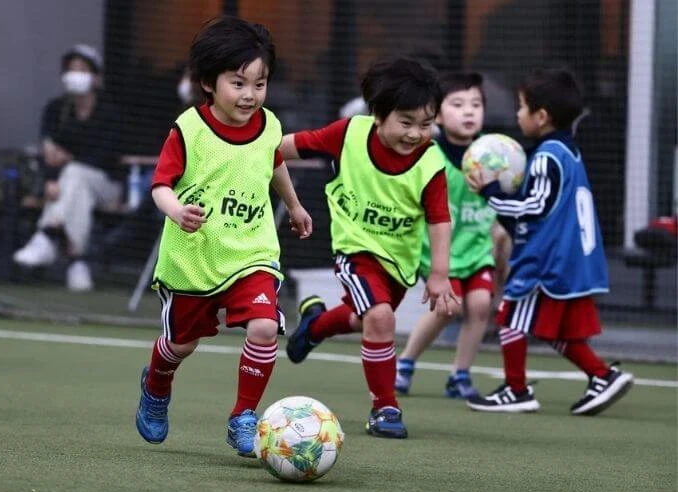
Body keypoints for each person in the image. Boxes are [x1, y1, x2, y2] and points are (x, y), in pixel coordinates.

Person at [134, 17, 312, 457]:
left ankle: (243, 417)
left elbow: (272, 163)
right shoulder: (189, 129)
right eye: (238, 83)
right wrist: (176, 210)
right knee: (181, 344)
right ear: (209, 83)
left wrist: (292, 204)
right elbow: (160, 186)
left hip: (251, 251)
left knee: (266, 326)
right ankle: (157, 383)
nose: (250, 95)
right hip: (194, 257)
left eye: (260, 83)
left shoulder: (269, 124)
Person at [280, 57, 460, 439]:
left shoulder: (431, 161)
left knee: (368, 318)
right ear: (378, 114)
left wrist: (440, 274)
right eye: (406, 122)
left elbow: (440, 220)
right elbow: (283, 147)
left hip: (399, 262)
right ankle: (385, 407)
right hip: (355, 250)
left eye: (426, 125)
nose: (415, 134)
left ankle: (315, 325)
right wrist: (241, 150)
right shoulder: (347, 134)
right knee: (380, 318)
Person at [465, 68, 633, 415]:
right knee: (551, 327)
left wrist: (492, 192)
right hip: (566, 256)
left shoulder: (546, 157)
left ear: (541, 117)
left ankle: (516, 390)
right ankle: (601, 376)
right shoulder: (566, 152)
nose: (517, 114)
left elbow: (536, 206)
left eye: (522, 107)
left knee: (512, 318)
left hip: (546, 258)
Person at [394, 72, 498, 399]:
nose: (469, 111)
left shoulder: (495, 156)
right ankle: (406, 362)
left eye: (476, 104)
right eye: (458, 104)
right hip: (440, 252)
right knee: (447, 308)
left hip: (478, 248)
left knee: (481, 304)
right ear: (437, 115)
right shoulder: (429, 155)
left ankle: (460, 374)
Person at [12, 44, 123, 291]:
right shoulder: (55, 110)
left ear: (96, 77)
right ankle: (77, 263)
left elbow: (104, 157)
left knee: (74, 175)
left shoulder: (111, 113)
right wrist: (51, 179)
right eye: (72, 69)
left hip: (107, 187)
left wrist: (67, 162)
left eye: (82, 69)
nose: (76, 74)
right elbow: (48, 152)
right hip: (66, 186)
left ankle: (47, 236)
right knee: (75, 187)